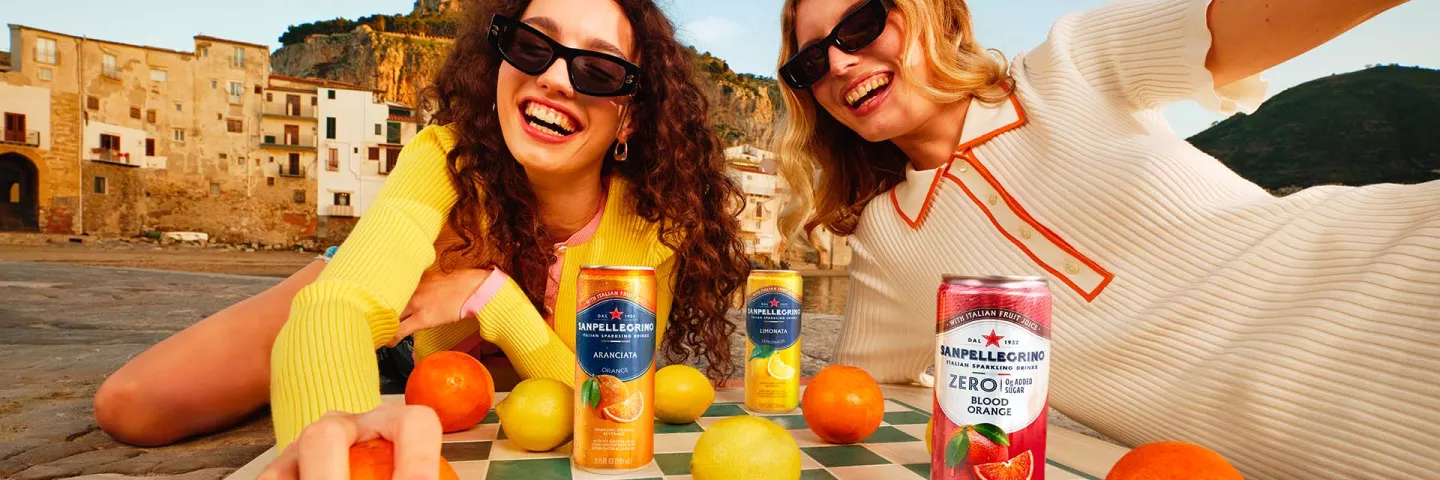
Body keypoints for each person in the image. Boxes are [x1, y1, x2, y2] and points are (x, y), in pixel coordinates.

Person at [775, 0, 1438, 477]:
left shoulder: (1071, 64)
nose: (839, 60)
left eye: (861, 24)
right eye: (809, 62)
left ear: (934, 13)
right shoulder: (889, 237)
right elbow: (858, 402)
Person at [94, 0, 748, 461]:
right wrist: (338, 426)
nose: (554, 78)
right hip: (396, 302)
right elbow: (341, 307)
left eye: (598, 70)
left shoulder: (656, 223)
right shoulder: (443, 155)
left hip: (458, 364)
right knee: (134, 405)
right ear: (500, 64)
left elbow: (604, 394)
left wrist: (491, 297)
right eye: (532, 46)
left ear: (630, 117)